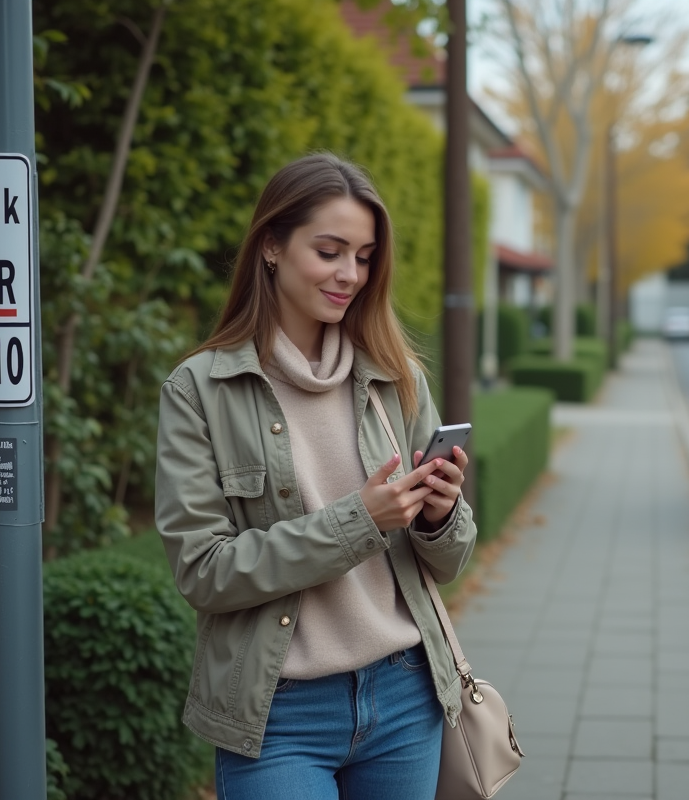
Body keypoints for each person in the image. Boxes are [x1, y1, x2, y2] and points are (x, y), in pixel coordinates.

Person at [155, 152, 476, 800]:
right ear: (271, 245)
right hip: (278, 713)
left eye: (362, 256)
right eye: (329, 251)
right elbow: (204, 571)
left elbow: (449, 563)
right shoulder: (201, 390)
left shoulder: (396, 375)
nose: (349, 274)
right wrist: (360, 520)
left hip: (405, 697)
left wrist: (441, 516)